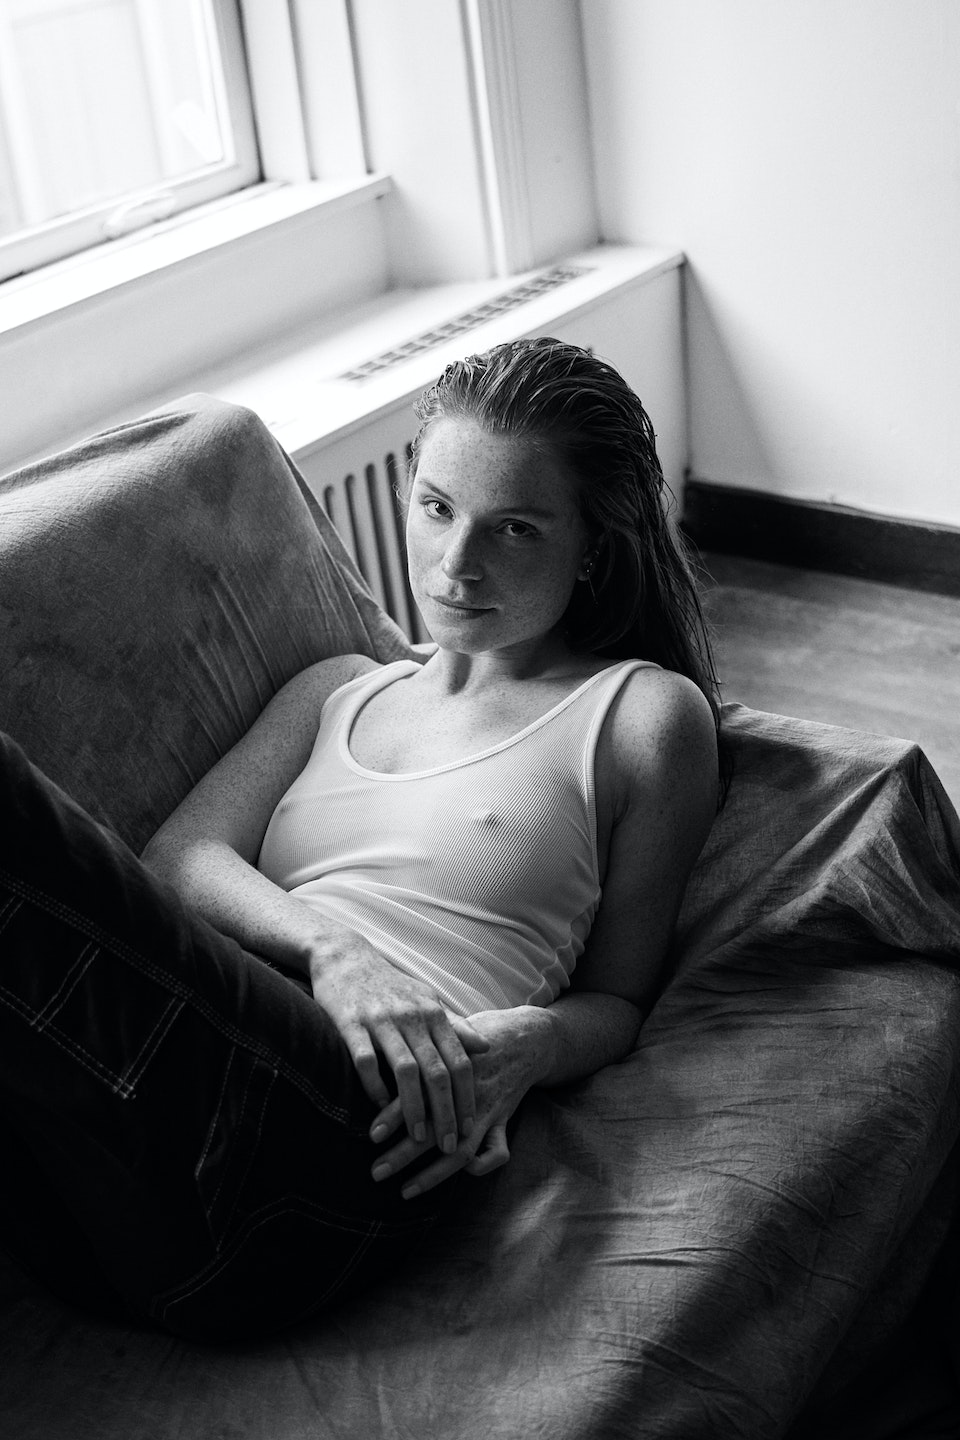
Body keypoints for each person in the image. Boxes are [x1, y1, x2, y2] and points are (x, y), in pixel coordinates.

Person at [0, 337, 719, 1340]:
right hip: (131, 1178)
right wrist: (333, 950)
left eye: (515, 528)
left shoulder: (641, 716)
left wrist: (532, 1046)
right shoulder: (336, 689)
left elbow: (622, 998)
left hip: (349, 1144)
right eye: (438, 508)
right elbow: (182, 860)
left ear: (594, 547)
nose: (457, 565)